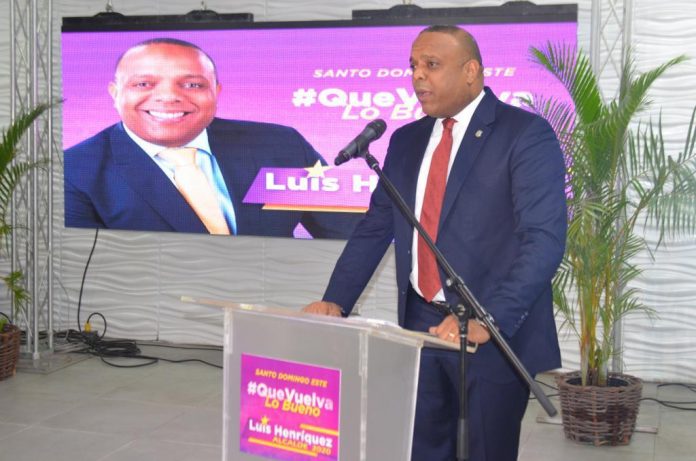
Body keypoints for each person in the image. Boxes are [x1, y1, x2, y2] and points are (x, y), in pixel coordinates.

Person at [303, 25, 567, 461]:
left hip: (490, 333)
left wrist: (490, 319)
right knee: (422, 448)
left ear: (471, 71)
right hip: (421, 323)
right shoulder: (406, 141)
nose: (418, 76)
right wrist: (336, 300)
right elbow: (375, 228)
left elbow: (544, 240)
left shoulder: (524, 134)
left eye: (431, 65)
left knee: (485, 451)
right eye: (413, 66)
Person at [64, 38, 356, 238]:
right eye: (144, 84)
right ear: (115, 94)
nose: (168, 97)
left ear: (216, 92)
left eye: (192, 84)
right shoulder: (75, 171)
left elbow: (352, 237)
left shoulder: (281, 145)